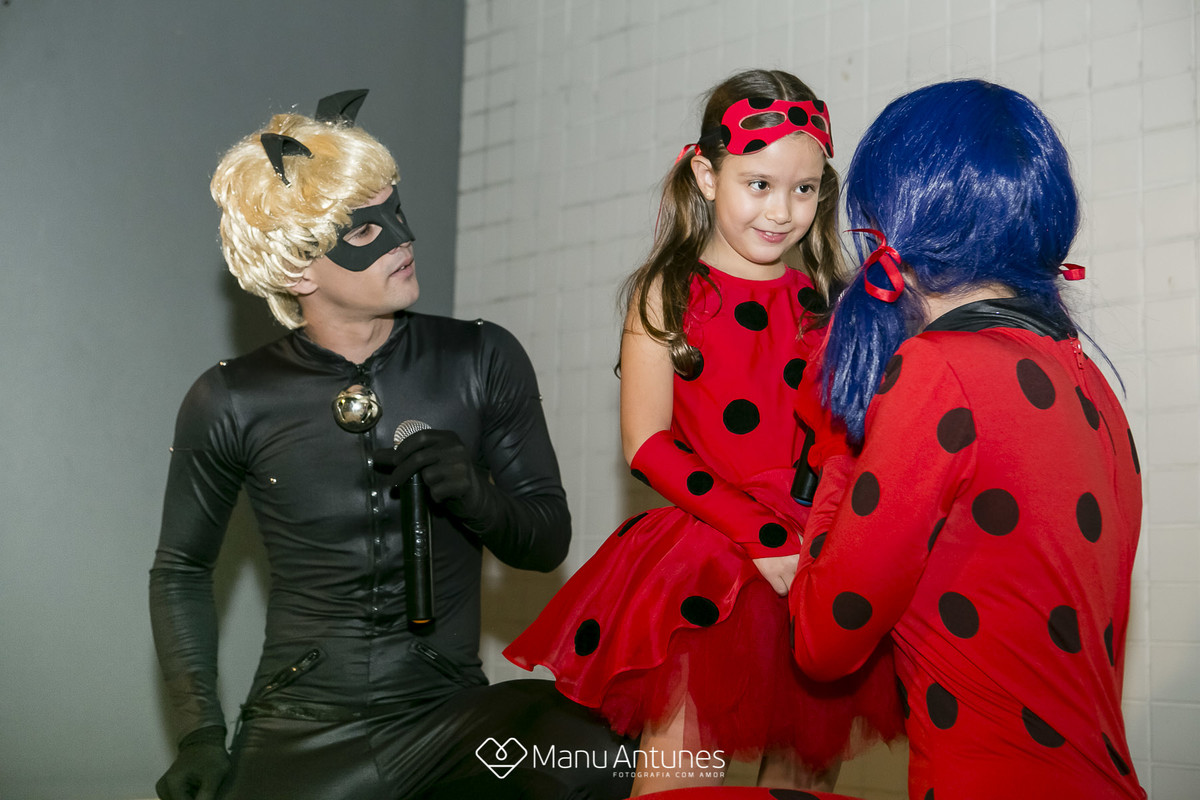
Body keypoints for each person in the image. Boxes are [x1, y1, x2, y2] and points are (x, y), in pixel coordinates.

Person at [149, 90, 632, 800]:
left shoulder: (480, 358)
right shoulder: (230, 398)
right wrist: (198, 733)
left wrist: (476, 496)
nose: (403, 238)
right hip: (299, 729)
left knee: (596, 753)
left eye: (396, 211)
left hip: (450, 721)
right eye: (367, 229)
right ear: (299, 267)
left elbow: (546, 541)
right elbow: (182, 569)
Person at [505, 70, 903, 796]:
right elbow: (647, 445)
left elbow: (850, 443)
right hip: (711, 562)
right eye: (759, 184)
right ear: (707, 175)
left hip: (815, 563)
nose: (782, 211)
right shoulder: (669, 291)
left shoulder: (831, 303)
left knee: (800, 781)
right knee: (682, 781)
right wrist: (760, 534)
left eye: (805, 189)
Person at [788, 79, 1146, 800]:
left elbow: (823, 641)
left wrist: (838, 453)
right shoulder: (1094, 385)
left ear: (893, 223)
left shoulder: (939, 371)